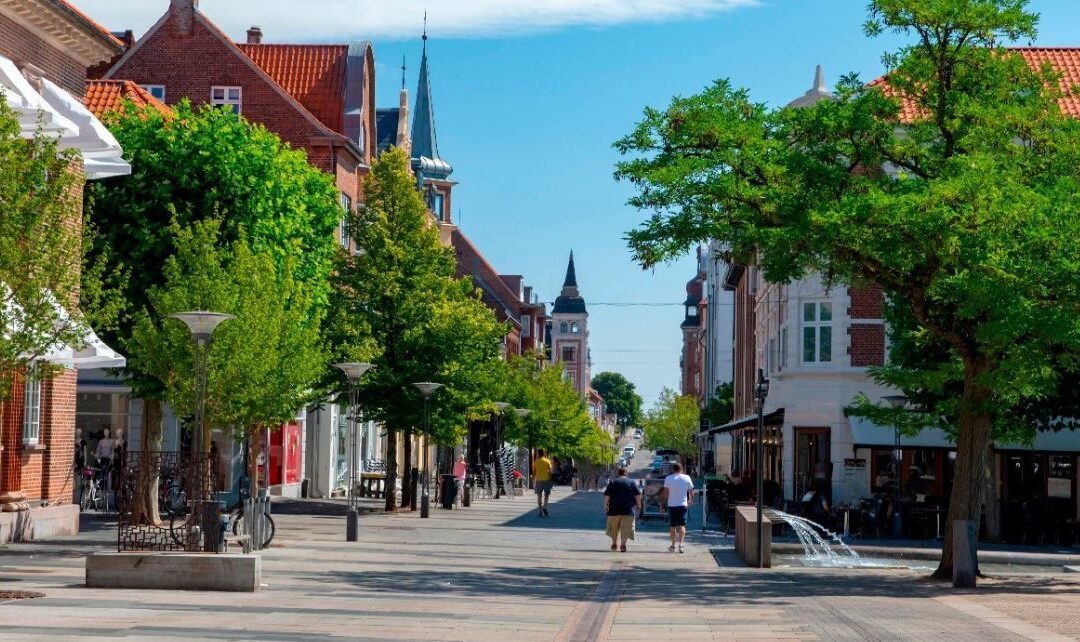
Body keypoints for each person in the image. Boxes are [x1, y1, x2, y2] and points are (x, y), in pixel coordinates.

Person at [603, 467, 641, 552]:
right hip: (628, 509)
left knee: (613, 528)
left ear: (618, 474)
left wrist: (605, 505)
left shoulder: (612, 482)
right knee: (625, 529)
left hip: (614, 509)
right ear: (626, 474)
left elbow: (607, 495)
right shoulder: (632, 482)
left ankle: (614, 544)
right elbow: (637, 495)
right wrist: (639, 505)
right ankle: (623, 545)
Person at [660, 462, 694, 553]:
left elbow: (665, 493)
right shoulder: (687, 478)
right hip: (683, 504)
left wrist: (662, 504)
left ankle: (673, 545)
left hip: (672, 505)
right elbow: (691, 491)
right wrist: (690, 500)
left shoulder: (668, 478)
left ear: (672, 470)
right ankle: (681, 545)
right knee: (682, 525)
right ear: (681, 469)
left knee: (673, 525)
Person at [533, 448, 553, 516]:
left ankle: (540, 511)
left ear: (538, 453)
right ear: (544, 453)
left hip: (538, 480)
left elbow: (534, 472)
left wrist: (534, 479)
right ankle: (545, 507)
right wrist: (550, 479)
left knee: (539, 495)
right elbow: (550, 471)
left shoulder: (536, 462)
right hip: (546, 480)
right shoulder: (547, 461)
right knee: (546, 495)